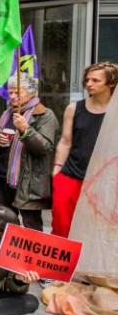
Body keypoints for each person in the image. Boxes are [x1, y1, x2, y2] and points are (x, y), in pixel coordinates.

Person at [52, 62, 117, 237]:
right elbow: (65, 141)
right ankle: (61, 263)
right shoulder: (74, 109)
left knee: (98, 230)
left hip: (105, 181)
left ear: (111, 84)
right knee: (61, 225)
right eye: (87, 79)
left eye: (95, 80)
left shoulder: (115, 111)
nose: (89, 84)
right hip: (71, 175)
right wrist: (57, 169)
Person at [0, 76, 59, 231]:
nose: (12, 96)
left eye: (17, 92)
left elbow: (45, 147)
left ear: (32, 93)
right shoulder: (8, 113)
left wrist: (25, 130)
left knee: (31, 227)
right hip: (3, 177)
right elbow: (0, 141)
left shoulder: (45, 115)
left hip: (28, 181)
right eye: (10, 92)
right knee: (5, 224)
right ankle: (5, 254)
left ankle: (32, 256)